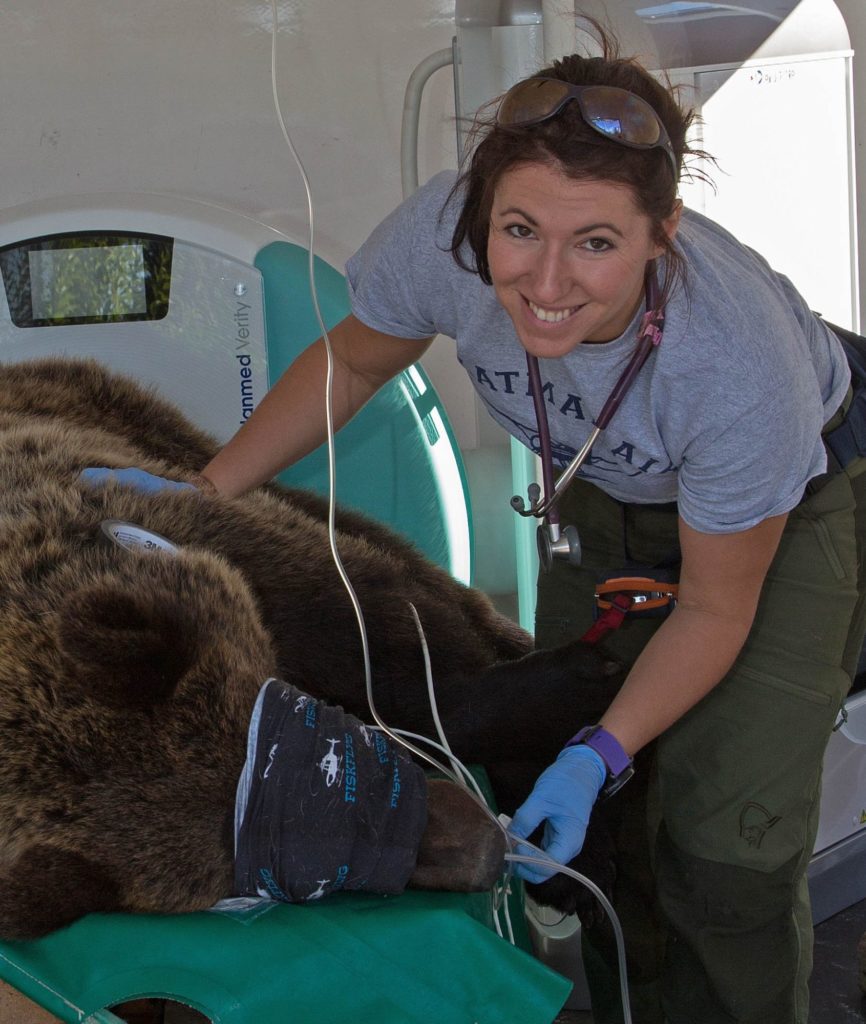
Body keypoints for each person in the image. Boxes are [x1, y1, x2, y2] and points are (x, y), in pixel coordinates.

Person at [86, 28, 866, 1024]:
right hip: (606, 481)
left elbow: (714, 612)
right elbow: (358, 360)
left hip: (781, 511)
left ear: (661, 231)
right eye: (518, 231)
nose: (544, 283)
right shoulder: (443, 237)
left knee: (724, 844)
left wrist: (601, 751)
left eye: (595, 243)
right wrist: (203, 492)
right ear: (479, 211)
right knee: (604, 828)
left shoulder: (734, 366)